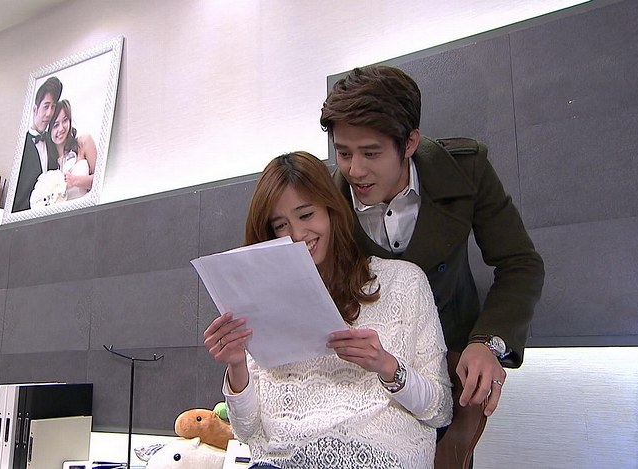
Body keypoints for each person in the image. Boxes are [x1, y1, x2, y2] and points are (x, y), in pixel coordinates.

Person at [320, 65, 545, 420]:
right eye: (344, 153)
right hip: (363, 381)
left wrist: (488, 342)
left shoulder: (466, 169)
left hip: (453, 360)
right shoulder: (323, 201)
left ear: (409, 143)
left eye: (371, 153)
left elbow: (520, 263)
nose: (355, 170)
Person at [203, 151, 452, 469]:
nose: (297, 235)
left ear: (332, 210)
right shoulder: (264, 302)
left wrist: (386, 365)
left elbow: (440, 411)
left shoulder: (404, 282)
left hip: (378, 457)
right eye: (281, 225)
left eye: (306, 215)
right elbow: (248, 432)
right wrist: (237, 364)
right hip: (281, 461)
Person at [13, 76, 62, 212]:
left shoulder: (53, 142)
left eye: (53, 107)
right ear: (35, 109)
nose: (49, 113)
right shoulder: (20, 144)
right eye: (46, 106)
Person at [48, 99, 97, 200]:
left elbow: (102, 180)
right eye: (56, 125)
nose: (61, 128)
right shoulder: (48, 161)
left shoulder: (84, 142)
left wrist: (76, 181)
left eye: (65, 120)